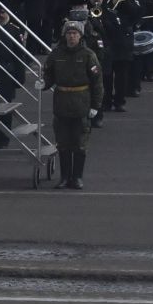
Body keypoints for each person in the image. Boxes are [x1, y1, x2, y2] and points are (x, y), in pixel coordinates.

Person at [42, 19, 102, 190]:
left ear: (80, 35)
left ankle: (77, 177)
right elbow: (49, 74)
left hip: (81, 101)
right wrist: (44, 84)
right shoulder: (56, 54)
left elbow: (97, 82)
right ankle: (64, 177)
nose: (71, 36)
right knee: (63, 143)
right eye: (69, 33)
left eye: (75, 33)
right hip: (61, 102)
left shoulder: (88, 55)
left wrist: (95, 106)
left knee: (80, 143)